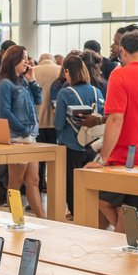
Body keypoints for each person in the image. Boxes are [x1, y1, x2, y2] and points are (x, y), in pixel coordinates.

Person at [83, 29, 138, 229]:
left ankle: (129, 242)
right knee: (126, 209)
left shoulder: (120, 75)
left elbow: (115, 118)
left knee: (111, 206)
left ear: (123, 52)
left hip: (126, 160)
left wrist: (103, 158)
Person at [0, 45, 47, 218]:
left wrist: (32, 80)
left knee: (34, 180)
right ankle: (16, 219)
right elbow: (4, 112)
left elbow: (38, 99)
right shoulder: (4, 84)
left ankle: (43, 220)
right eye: (23, 58)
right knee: (15, 182)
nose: (27, 61)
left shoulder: (23, 81)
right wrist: (23, 130)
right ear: (13, 60)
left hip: (29, 136)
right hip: (17, 137)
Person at [52, 53, 105, 218]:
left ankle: (76, 212)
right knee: (90, 181)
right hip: (94, 145)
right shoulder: (97, 91)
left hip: (71, 144)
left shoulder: (65, 93)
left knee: (71, 182)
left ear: (67, 72)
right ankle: (92, 211)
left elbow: (59, 123)